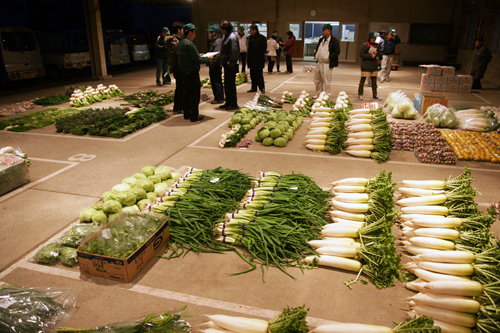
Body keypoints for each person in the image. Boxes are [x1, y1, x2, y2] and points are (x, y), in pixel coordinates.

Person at [176, 23, 213, 122]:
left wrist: (198, 55)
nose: (195, 33)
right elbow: (197, 60)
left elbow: (190, 57)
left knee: (186, 94)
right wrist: (208, 59)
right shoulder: (189, 44)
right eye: (194, 31)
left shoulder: (180, 43)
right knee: (194, 95)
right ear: (190, 32)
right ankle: (194, 116)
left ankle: (187, 114)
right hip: (191, 73)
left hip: (183, 73)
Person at [313, 24, 340, 97]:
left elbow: (337, 51)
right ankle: (318, 93)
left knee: (326, 80)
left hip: (327, 64)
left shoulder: (334, 40)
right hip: (319, 63)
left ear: (329, 31)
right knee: (317, 79)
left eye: (324, 30)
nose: (322, 31)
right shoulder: (321, 40)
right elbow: (318, 48)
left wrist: (329, 57)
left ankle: (327, 94)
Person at [218, 20, 240, 110]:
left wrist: (230, 64)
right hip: (227, 64)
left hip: (230, 65)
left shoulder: (232, 37)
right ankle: (228, 102)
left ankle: (233, 103)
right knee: (227, 84)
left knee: (230, 85)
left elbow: (234, 52)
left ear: (224, 29)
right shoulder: (227, 36)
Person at [358, 31, 382, 101]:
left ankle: (375, 95)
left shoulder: (377, 45)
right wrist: (370, 55)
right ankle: (360, 94)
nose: (374, 40)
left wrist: (377, 53)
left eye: (375, 38)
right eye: (373, 38)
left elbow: (380, 54)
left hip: (373, 66)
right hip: (366, 65)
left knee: (374, 82)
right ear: (370, 38)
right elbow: (361, 55)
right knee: (362, 81)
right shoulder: (365, 45)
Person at [167, 21, 184, 114]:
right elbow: (173, 57)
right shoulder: (175, 42)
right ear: (179, 30)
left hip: (179, 68)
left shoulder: (178, 40)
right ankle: (177, 107)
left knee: (181, 88)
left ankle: (180, 106)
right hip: (178, 68)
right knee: (180, 88)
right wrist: (172, 68)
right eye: (182, 29)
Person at [246, 24, 267, 93]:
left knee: (259, 75)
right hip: (251, 60)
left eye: (251, 30)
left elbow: (263, 49)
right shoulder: (251, 38)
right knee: (252, 75)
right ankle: (253, 87)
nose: (250, 32)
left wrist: (259, 55)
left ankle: (262, 88)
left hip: (258, 60)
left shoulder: (262, 38)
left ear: (255, 30)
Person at [207, 26, 224, 104]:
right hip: (216, 64)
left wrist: (212, 63)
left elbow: (217, 54)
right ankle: (219, 97)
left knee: (216, 81)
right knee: (217, 81)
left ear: (214, 33)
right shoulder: (217, 40)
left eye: (210, 32)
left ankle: (219, 98)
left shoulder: (217, 41)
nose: (209, 34)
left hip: (216, 65)